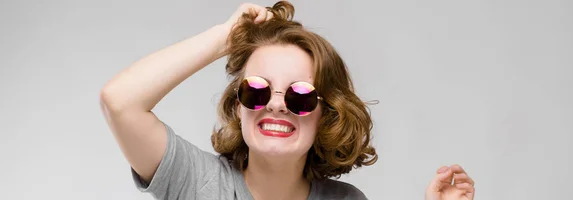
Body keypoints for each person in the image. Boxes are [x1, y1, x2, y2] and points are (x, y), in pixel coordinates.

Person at [99, 1, 475, 200]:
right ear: (238, 106)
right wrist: (223, 38)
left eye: (300, 94)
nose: (276, 104)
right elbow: (120, 101)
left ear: (326, 115)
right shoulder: (199, 184)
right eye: (257, 90)